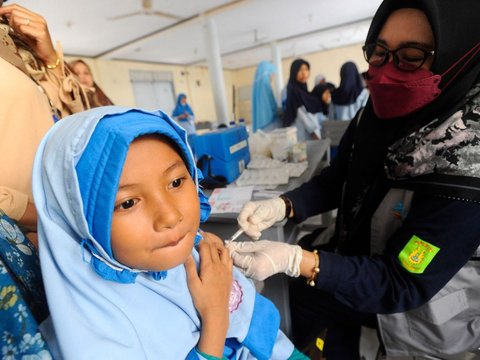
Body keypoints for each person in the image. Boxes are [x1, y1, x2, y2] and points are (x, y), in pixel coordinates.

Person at [227, 0, 480, 358]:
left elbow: (400, 281)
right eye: (378, 51)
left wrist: (296, 260)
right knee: (294, 304)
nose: (389, 70)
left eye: (411, 55)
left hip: (416, 309)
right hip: (354, 262)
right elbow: (337, 179)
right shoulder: (373, 117)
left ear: (458, 58)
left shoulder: (467, 162)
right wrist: (283, 206)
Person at [32, 106, 307, 359]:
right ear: (79, 222)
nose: (171, 216)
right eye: (128, 203)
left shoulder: (195, 257)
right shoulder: (95, 335)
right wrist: (215, 320)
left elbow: (267, 336)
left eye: (176, 182)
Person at [0, 2, 89, 246]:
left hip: (63, 221)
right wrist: (42, 216)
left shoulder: (18, 41)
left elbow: (79, 124)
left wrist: (50, 59)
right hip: (24, 236)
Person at [282, 58, 325, 141]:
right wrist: (314, 135)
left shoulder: (303, 90)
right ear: (294, 72)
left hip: (306, 134)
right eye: (300, 70)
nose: (304, 73)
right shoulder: (293, 90)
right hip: (302, 134)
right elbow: (302, 115)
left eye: (306, 69)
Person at [251, 61, 279, 132]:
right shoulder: (266, 85)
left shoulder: (257, 87)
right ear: (267, 73)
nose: (273, 76)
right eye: (272, 73)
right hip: (269, 124)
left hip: (261, 126)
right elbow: (272, 107)